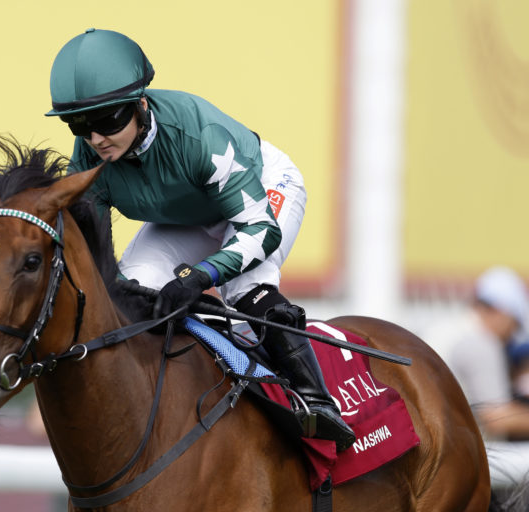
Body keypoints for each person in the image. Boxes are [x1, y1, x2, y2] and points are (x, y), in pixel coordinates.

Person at [45, 28, 355, 450]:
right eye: (79, 124)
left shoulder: (199, 137)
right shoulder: (88, 157)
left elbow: (260, 231)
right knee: (133, 294)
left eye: (106, 121)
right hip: (183, 215)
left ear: (140, 104)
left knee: (246, 291)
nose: (96, 138)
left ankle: (318, 403)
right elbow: (97, 263)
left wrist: (199, 276)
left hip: (258, 197)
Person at [425, 266, 529, 440]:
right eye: (514, 325)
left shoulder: (445, 329)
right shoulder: (482, 342)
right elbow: (497, 419)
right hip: (453, 457)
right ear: (500, 312)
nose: (512, 336)